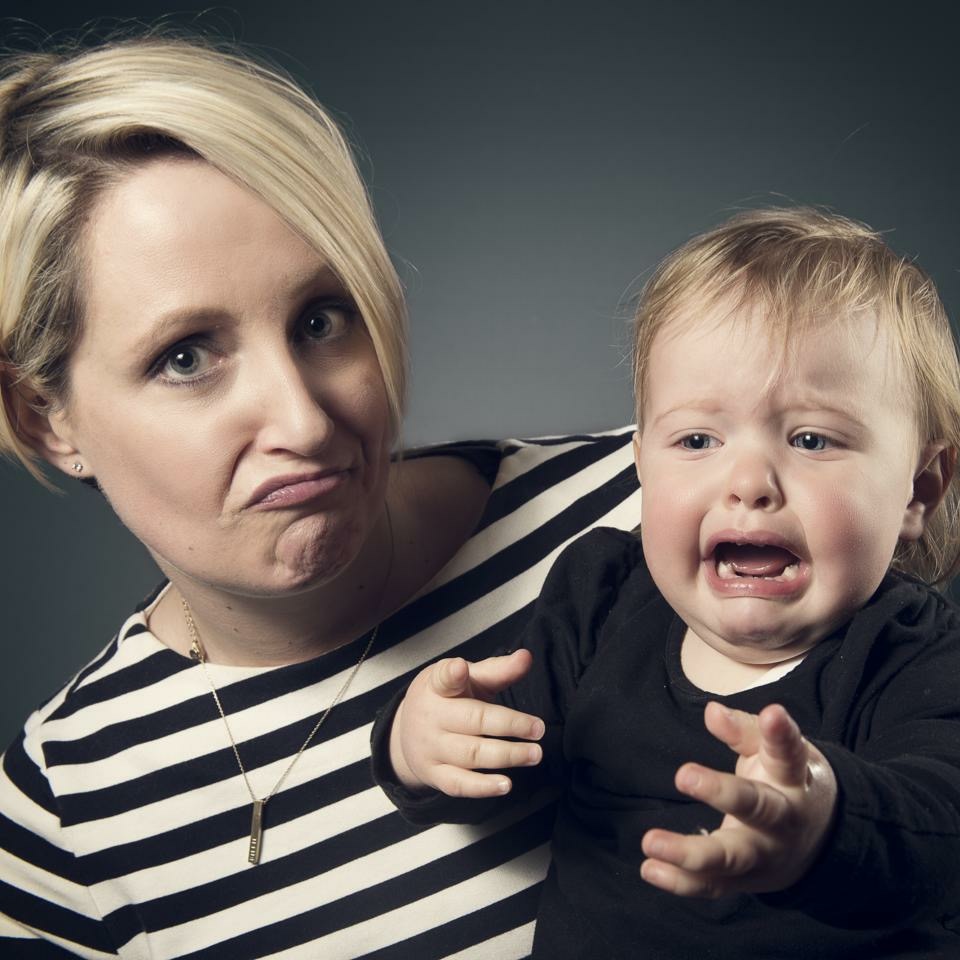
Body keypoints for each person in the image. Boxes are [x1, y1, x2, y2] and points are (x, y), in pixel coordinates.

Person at [0, 34, 642, 959]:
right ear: (46, 420)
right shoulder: (63, 805)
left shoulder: (669, 515)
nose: (302, 421)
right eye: (186, 358)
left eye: (321, 319)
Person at [378, 208, 960, 958]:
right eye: (696, 440)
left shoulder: (915, 656)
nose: (748, 481)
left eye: (812, 439)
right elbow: (499, 746)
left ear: (918, 489)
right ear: (641, 465)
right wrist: (419, 740)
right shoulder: (602, 599)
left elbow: (940, 822)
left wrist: (823, 822)